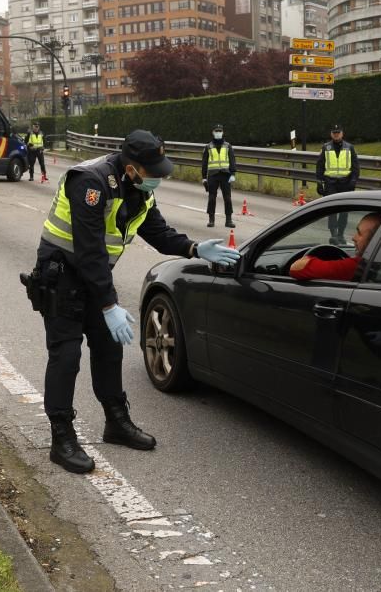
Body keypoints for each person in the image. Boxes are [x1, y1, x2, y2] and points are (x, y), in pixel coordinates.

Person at [34, 129, 240, 473]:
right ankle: (62, 437)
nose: (158, 177)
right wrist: (109, 304)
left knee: (110, 349)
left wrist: (194, 248)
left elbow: (157, 232)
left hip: (94, 277)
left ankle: (116, 422)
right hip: (62, 275)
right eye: (153, 171)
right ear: (132, 168)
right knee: (66, 354)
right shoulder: (90, 182)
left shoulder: (138, 191)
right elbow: (89, 251)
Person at [290, 212, 381, 281]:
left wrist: (306, 258)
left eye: (359, 233)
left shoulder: (358, 267)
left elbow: (297, 269)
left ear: (375, 241)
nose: (353, 238)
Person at [315, 124, 360, 244]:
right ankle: (333, 234)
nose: (336, 135)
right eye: (334, 133)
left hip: (346, 183)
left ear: (342, 133)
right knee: (332, 210)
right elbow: (320, 165)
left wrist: (354, 181)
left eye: (338, 133)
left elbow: (355, 166)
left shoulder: (350, 147)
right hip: (330, 183)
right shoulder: (326, 147)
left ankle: (341, 234)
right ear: (331, 134)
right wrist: (319, 182)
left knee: (344, 210)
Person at [201, 123, 237, 228]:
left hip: (225, 175)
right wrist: (203, 177)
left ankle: (229, 220)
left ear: (223, 132)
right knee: (212, 198)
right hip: (213, 175)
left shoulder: (228, 146)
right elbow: (204, 163)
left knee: (228, 198)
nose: (218, 133)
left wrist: (233, 173)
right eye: (216, 131)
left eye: (219, 131)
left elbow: (232, 160)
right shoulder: (208, 147)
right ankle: (211, 220)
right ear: (213, 133)